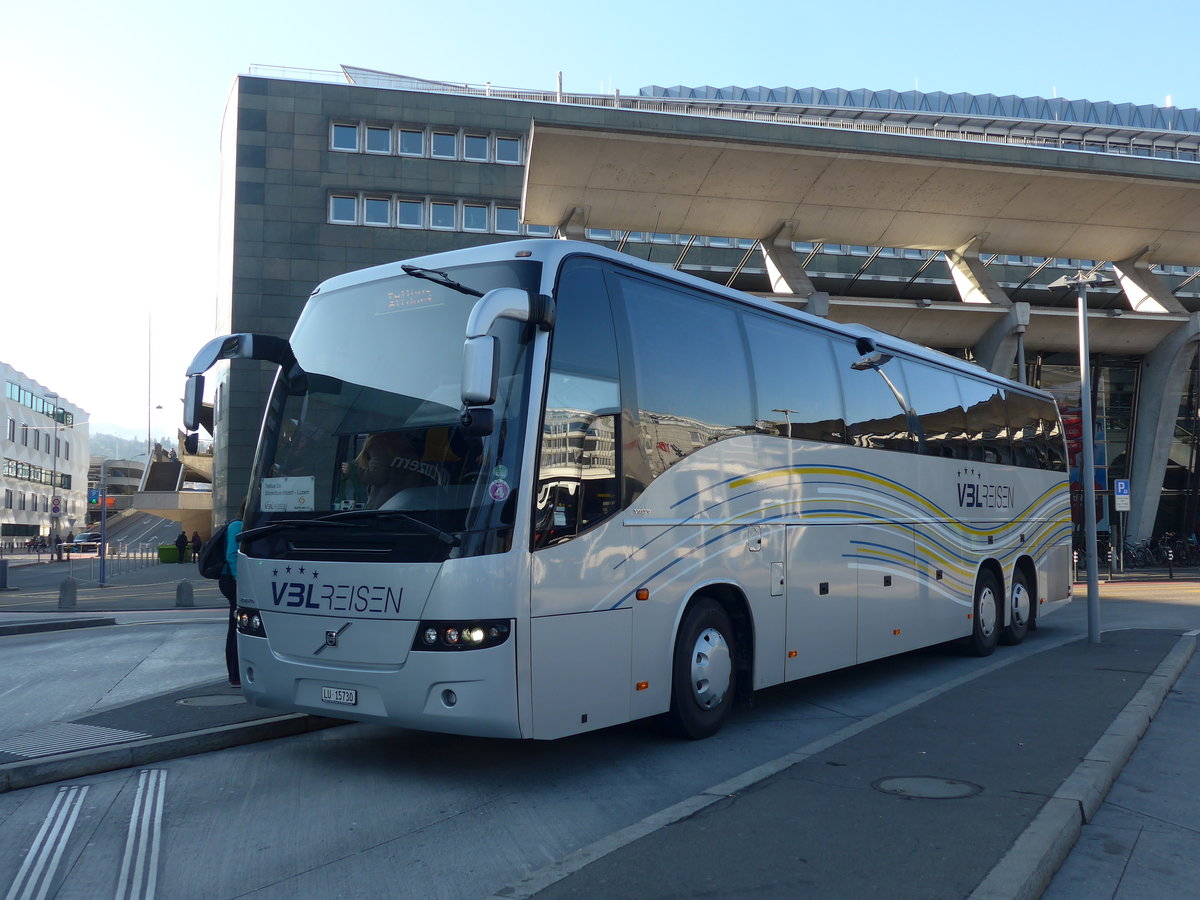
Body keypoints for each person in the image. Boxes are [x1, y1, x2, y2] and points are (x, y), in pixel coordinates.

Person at [355, 431, 441, 509]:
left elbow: (377, 476)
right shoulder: (409, 447)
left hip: (384, 508)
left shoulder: (378, 443)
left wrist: (352, 472)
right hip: (409, 507)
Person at [219, 501, 246, 687]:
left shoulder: (240, 525)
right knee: (236, 627)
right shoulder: (237, 525)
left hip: (231, 580)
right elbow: (232, 555)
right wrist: (241, 582)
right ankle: (235, 675)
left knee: (236, 626)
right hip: (231, 581)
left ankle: (236, 674)